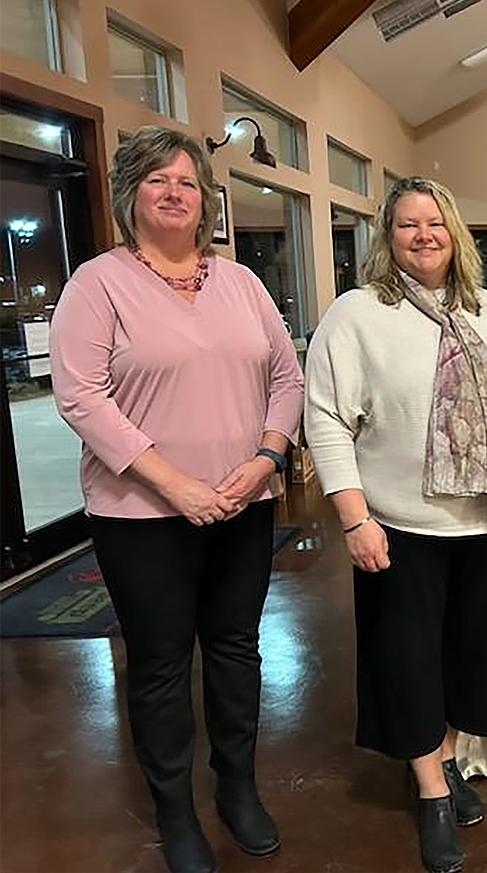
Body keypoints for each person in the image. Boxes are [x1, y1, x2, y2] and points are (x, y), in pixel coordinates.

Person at [49, 126, 304, 873]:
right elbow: (81, 396)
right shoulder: (96, 285)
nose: (174, 192)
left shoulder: (243, 284)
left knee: (235, 650)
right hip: (141, 516)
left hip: (241, 505)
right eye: (157, 179)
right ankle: (175, 810)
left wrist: (265, 459)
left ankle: (238, 788)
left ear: (205, 201)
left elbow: (286, 379)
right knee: (161, 665)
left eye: (187, 182)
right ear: (131, 195)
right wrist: (175, 483)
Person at [304, 176, 487, 873]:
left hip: (481, 525)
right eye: (407, 225)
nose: (423, 235)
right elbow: (326, 417)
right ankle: (433, 791)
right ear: (388, 237)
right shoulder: (357, 316)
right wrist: (355, 517)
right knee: (408, 663)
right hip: (398, 528)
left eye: (434, 223)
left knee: (467, 659)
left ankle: (445, 756)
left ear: (455, 232)